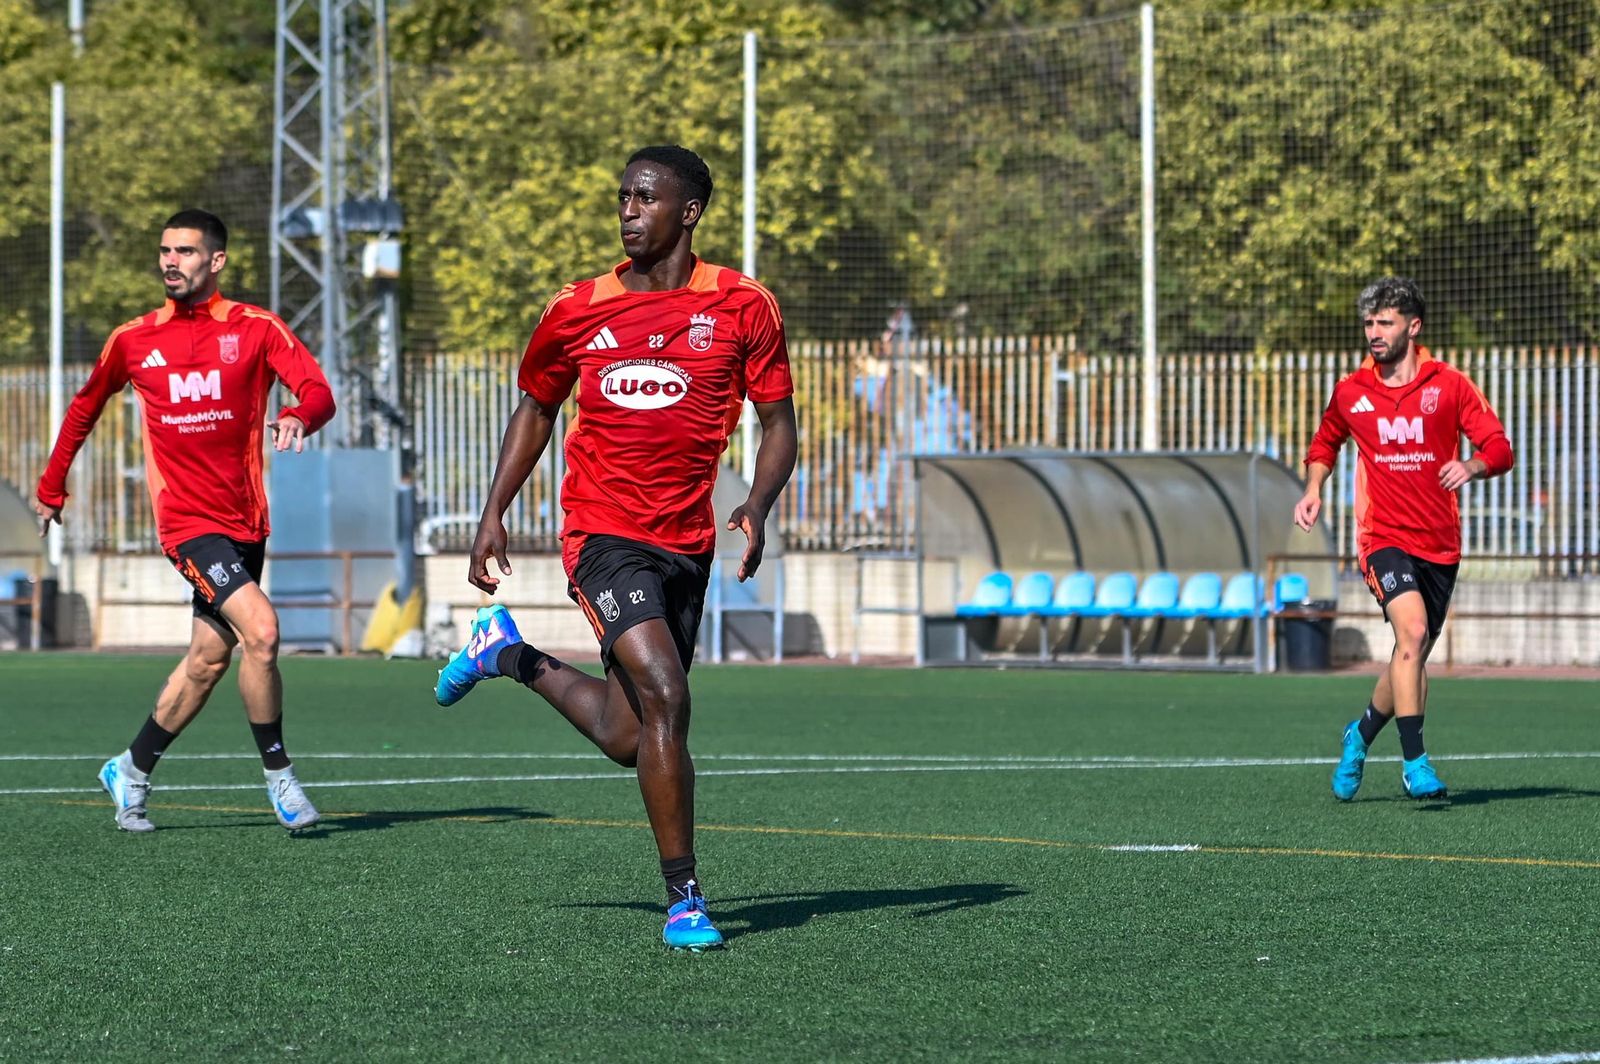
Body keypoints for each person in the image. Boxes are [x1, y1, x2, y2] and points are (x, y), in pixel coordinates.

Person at [434, 145, 797, 951]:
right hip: (601, 535)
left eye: (643, 198)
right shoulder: (578, 307)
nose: (627, 210)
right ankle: (687, 898)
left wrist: (758, 504)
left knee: (627, 735)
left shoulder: (743, 305)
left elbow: (779, 423)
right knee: (668, 693)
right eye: (622, 197)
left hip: (686, 545)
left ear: (688, 211)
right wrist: (494, 509)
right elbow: (535, 408)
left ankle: (507, 656)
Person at [33, 208, 336, 833]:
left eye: (186, 251)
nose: (171, 261)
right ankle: (281, 779)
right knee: (263, 630)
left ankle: (132, 768)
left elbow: (317, 390)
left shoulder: (255, 328)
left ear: (216, 260)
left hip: (245, 523)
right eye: (165, 250)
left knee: (206, 661)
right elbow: (84, 408)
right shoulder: (134, 338)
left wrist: (301, 416)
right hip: (186, 523)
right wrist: (51, 487)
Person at [1294, 277, 1512, 800]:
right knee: (1411, 634)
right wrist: (1313, 489)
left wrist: (1473, 465)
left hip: (1440, 546)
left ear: (1413, 327)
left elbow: (1500, 448)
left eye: (1385, 322)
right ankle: (1415, 763)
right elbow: (1326, 441)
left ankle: (1359, 734)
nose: (1374, 331)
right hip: (1382, 538)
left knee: (1409, 655)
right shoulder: (1351, 391)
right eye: (1368, 322)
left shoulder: (1451, 386)